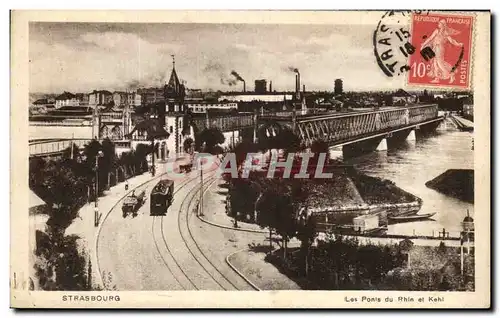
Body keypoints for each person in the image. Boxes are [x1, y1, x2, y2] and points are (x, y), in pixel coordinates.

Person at [421, 20, 464, 84]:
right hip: (434, 48)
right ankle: (437, 78)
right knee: (435, 64)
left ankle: (451, 75)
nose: (438, 24)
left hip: (440, 49)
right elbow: (430, 38)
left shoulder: (446, 33)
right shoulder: (436, 31)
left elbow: (452, 41)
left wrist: (458, 44)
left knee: (440, 63)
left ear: (443, 25)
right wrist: (424, 44)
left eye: (440, 23)